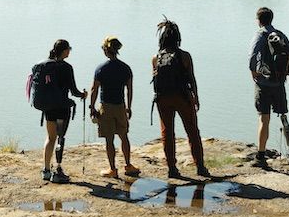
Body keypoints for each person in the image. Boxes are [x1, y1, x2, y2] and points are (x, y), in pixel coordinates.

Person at [149, 18, 212, 180]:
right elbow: (191, 78)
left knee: (167, 133)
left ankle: (172, 169)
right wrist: (196, 97)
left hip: (162, 99)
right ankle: (200, 167)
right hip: (182, 97)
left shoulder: (155, 58)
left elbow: (155, 81)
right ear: (178, 38)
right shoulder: (184, 56)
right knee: (192, 131)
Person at [27, 38, 86, 184]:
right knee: (60, 138)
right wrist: (83, 95)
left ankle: (46, 170)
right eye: (69, 50)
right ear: (65, 51)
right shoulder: (66, 67)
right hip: (62, 108)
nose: (69, 53)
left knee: (50, 137)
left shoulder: (43, 65)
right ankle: (58, 171)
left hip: (48, 108)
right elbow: (73, 90)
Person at [249, 6, 289, 170]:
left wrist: (253, 71)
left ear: (258, 20)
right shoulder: (280, 35)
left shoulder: (260, 35)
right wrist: (284, 74)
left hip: (263, 83)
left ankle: (261, 156)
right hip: (279, 83)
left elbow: (252, 55)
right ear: (271, 19)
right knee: (283, 116)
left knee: (264, 118)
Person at [90, 35, 141, 180]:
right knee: (124, 136)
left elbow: (94, 89)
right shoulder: (125, 68)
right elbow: (129, 90)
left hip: (106, 107)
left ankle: (113, 169)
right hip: (120, 106)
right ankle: (128, 165)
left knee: (109, 139)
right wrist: (129, 107)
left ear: (106, 50)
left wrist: (92, 107)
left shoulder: (101, 68)